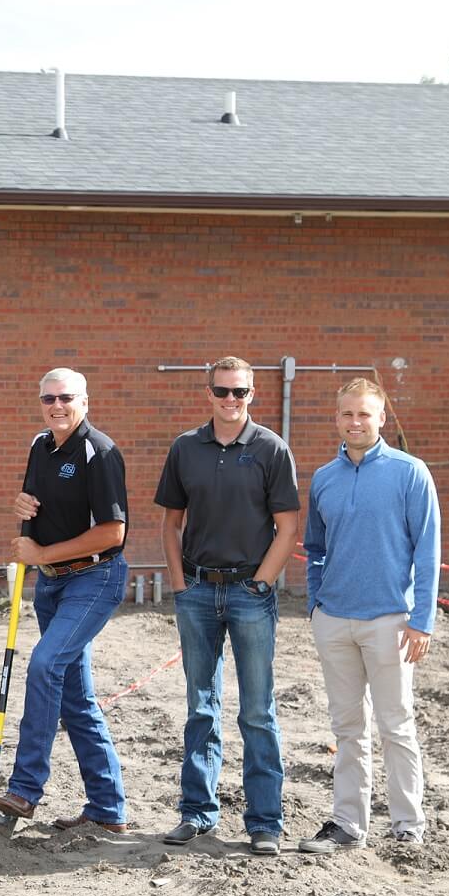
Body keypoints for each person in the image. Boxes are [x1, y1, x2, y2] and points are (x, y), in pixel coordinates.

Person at [155, 355, 300, 856]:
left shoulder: (271, 449)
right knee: (201, 707)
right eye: (222, 392)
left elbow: (288, 529)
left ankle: (265, 821)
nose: (231, 400)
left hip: (249, 595)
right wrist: (179, 584)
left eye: (240, 392)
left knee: (257, 711)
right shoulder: (184, 449)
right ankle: (197, 813)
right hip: (196, 591)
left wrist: (262, 584)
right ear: (208, 394)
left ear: (253, 394)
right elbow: (171, 524)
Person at [300, 378, 439, 852]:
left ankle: (408, 825)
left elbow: (428, 551)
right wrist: (316, 603)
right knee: (346, 728)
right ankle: (347, 825)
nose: (355, 422)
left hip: (391, 622)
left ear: (382, 418)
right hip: (334, 620)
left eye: (365, 414)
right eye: (347, 414)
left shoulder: (410, 472)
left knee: (396, 725)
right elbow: (314, 549)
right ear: (336, 419)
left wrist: (422, 620)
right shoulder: (324, 478)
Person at [0, 368, 132, 832]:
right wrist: (24, 508)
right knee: (75, 698)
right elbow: (36, 499)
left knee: (44, 665)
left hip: (94, 579)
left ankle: (26, 789)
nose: (56, 406)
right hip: (51, 584)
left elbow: (113, 532)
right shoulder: (40, 445)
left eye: (65, 398)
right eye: (48, 398)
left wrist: (43, 552)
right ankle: (107, 810)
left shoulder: (100, 451)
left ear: (85, 401)